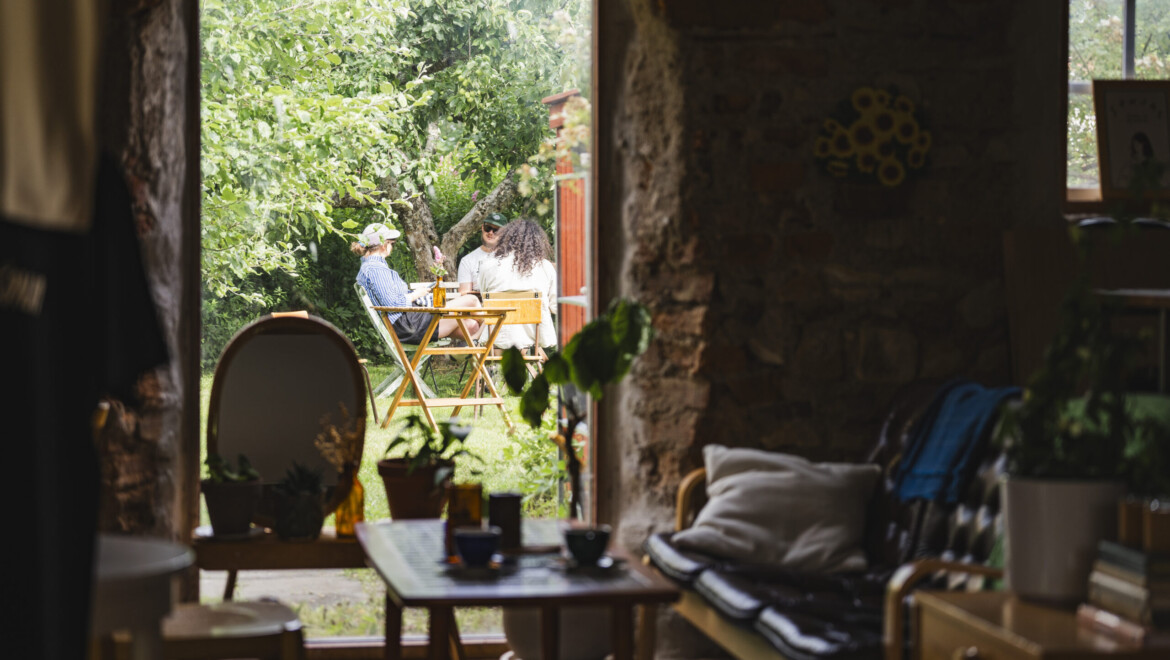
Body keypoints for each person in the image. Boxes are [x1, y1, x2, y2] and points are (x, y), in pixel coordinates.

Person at [352, 222, 482, 343]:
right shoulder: (376, 269)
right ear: (384, 245)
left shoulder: (372, 267)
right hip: (408, 326)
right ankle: (487, 338)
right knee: (471, 300)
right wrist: (417, 294)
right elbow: (393, 304)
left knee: (471, 326)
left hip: (409, 323)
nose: (392, 247)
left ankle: (477, 346)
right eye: (392, 243)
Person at [476, 218, 558, 350]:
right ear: (537, 241)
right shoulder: (545, 267)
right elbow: (555, 307)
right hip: (535, 336)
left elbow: (485, 297)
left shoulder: (487, 264)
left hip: (497, 335)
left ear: (506, 239)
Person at [457, 212, 507, 295]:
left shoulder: (511, 258)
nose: (491, 232)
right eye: (488, 228)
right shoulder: (467, 260)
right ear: (482, 228)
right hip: (479, 302)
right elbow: (464, 293)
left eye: (496, 230)